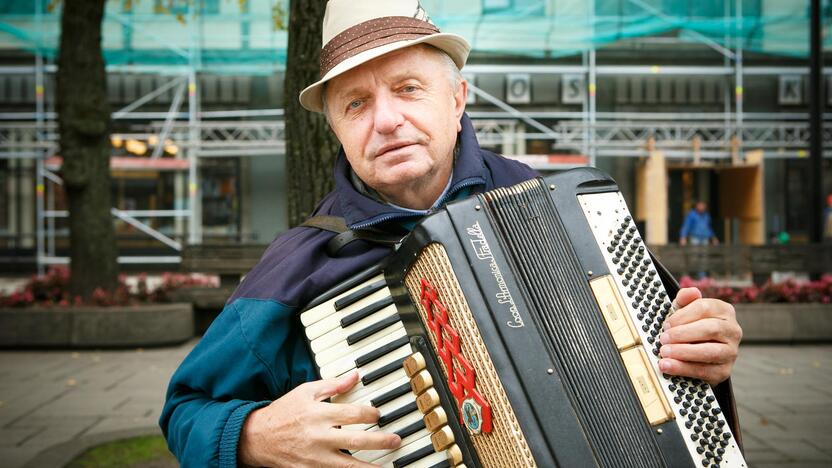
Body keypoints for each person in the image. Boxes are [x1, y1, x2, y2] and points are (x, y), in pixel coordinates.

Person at [159, 2, 743, 467]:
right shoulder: (298, 265)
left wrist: (704, 346)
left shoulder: (562, 208)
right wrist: (252, 436)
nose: (386, 120)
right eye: (356, 104)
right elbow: (186, 409)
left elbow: (668, 354)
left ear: (457, 99)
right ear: (337, 129)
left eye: (408, 88)